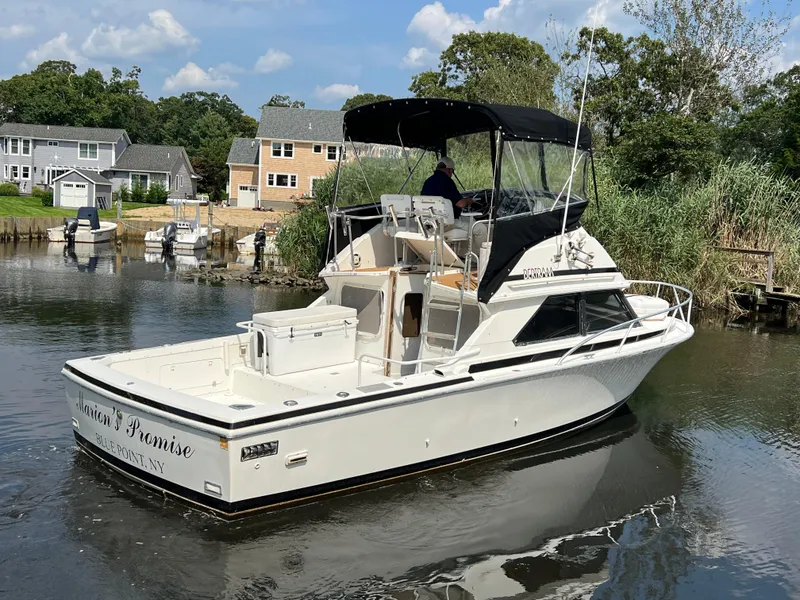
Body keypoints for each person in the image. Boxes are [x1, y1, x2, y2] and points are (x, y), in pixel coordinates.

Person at [419, 156, 488, 249]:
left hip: (429, 223)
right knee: (481, 229)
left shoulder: (427, 182)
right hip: (447, 223)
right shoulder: (447, 181)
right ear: (450, 170)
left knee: (470, 221)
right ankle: (481, 259)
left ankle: (466, 256)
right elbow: (461, 204)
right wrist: (469, 201)